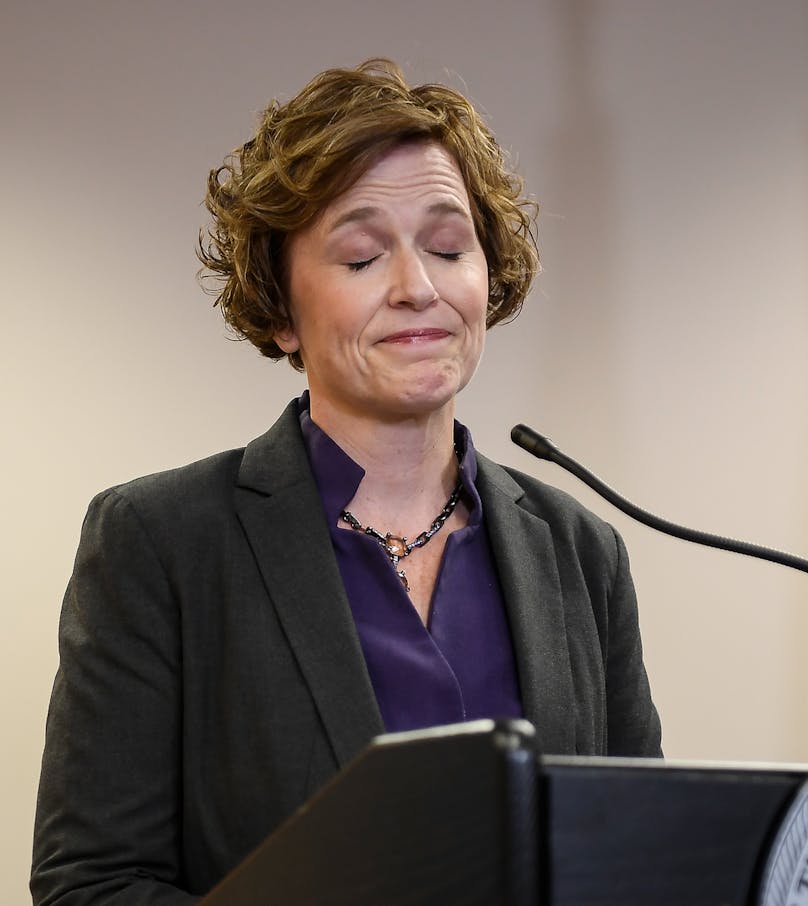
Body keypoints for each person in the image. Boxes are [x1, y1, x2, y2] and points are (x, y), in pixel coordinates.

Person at [32, 59, 661, 905]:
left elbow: (644, 860)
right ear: (280, 311)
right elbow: (93, 886)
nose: (418, 288)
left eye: (448, 246)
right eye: (362, 257)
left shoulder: (584, 552)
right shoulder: (160, 543)